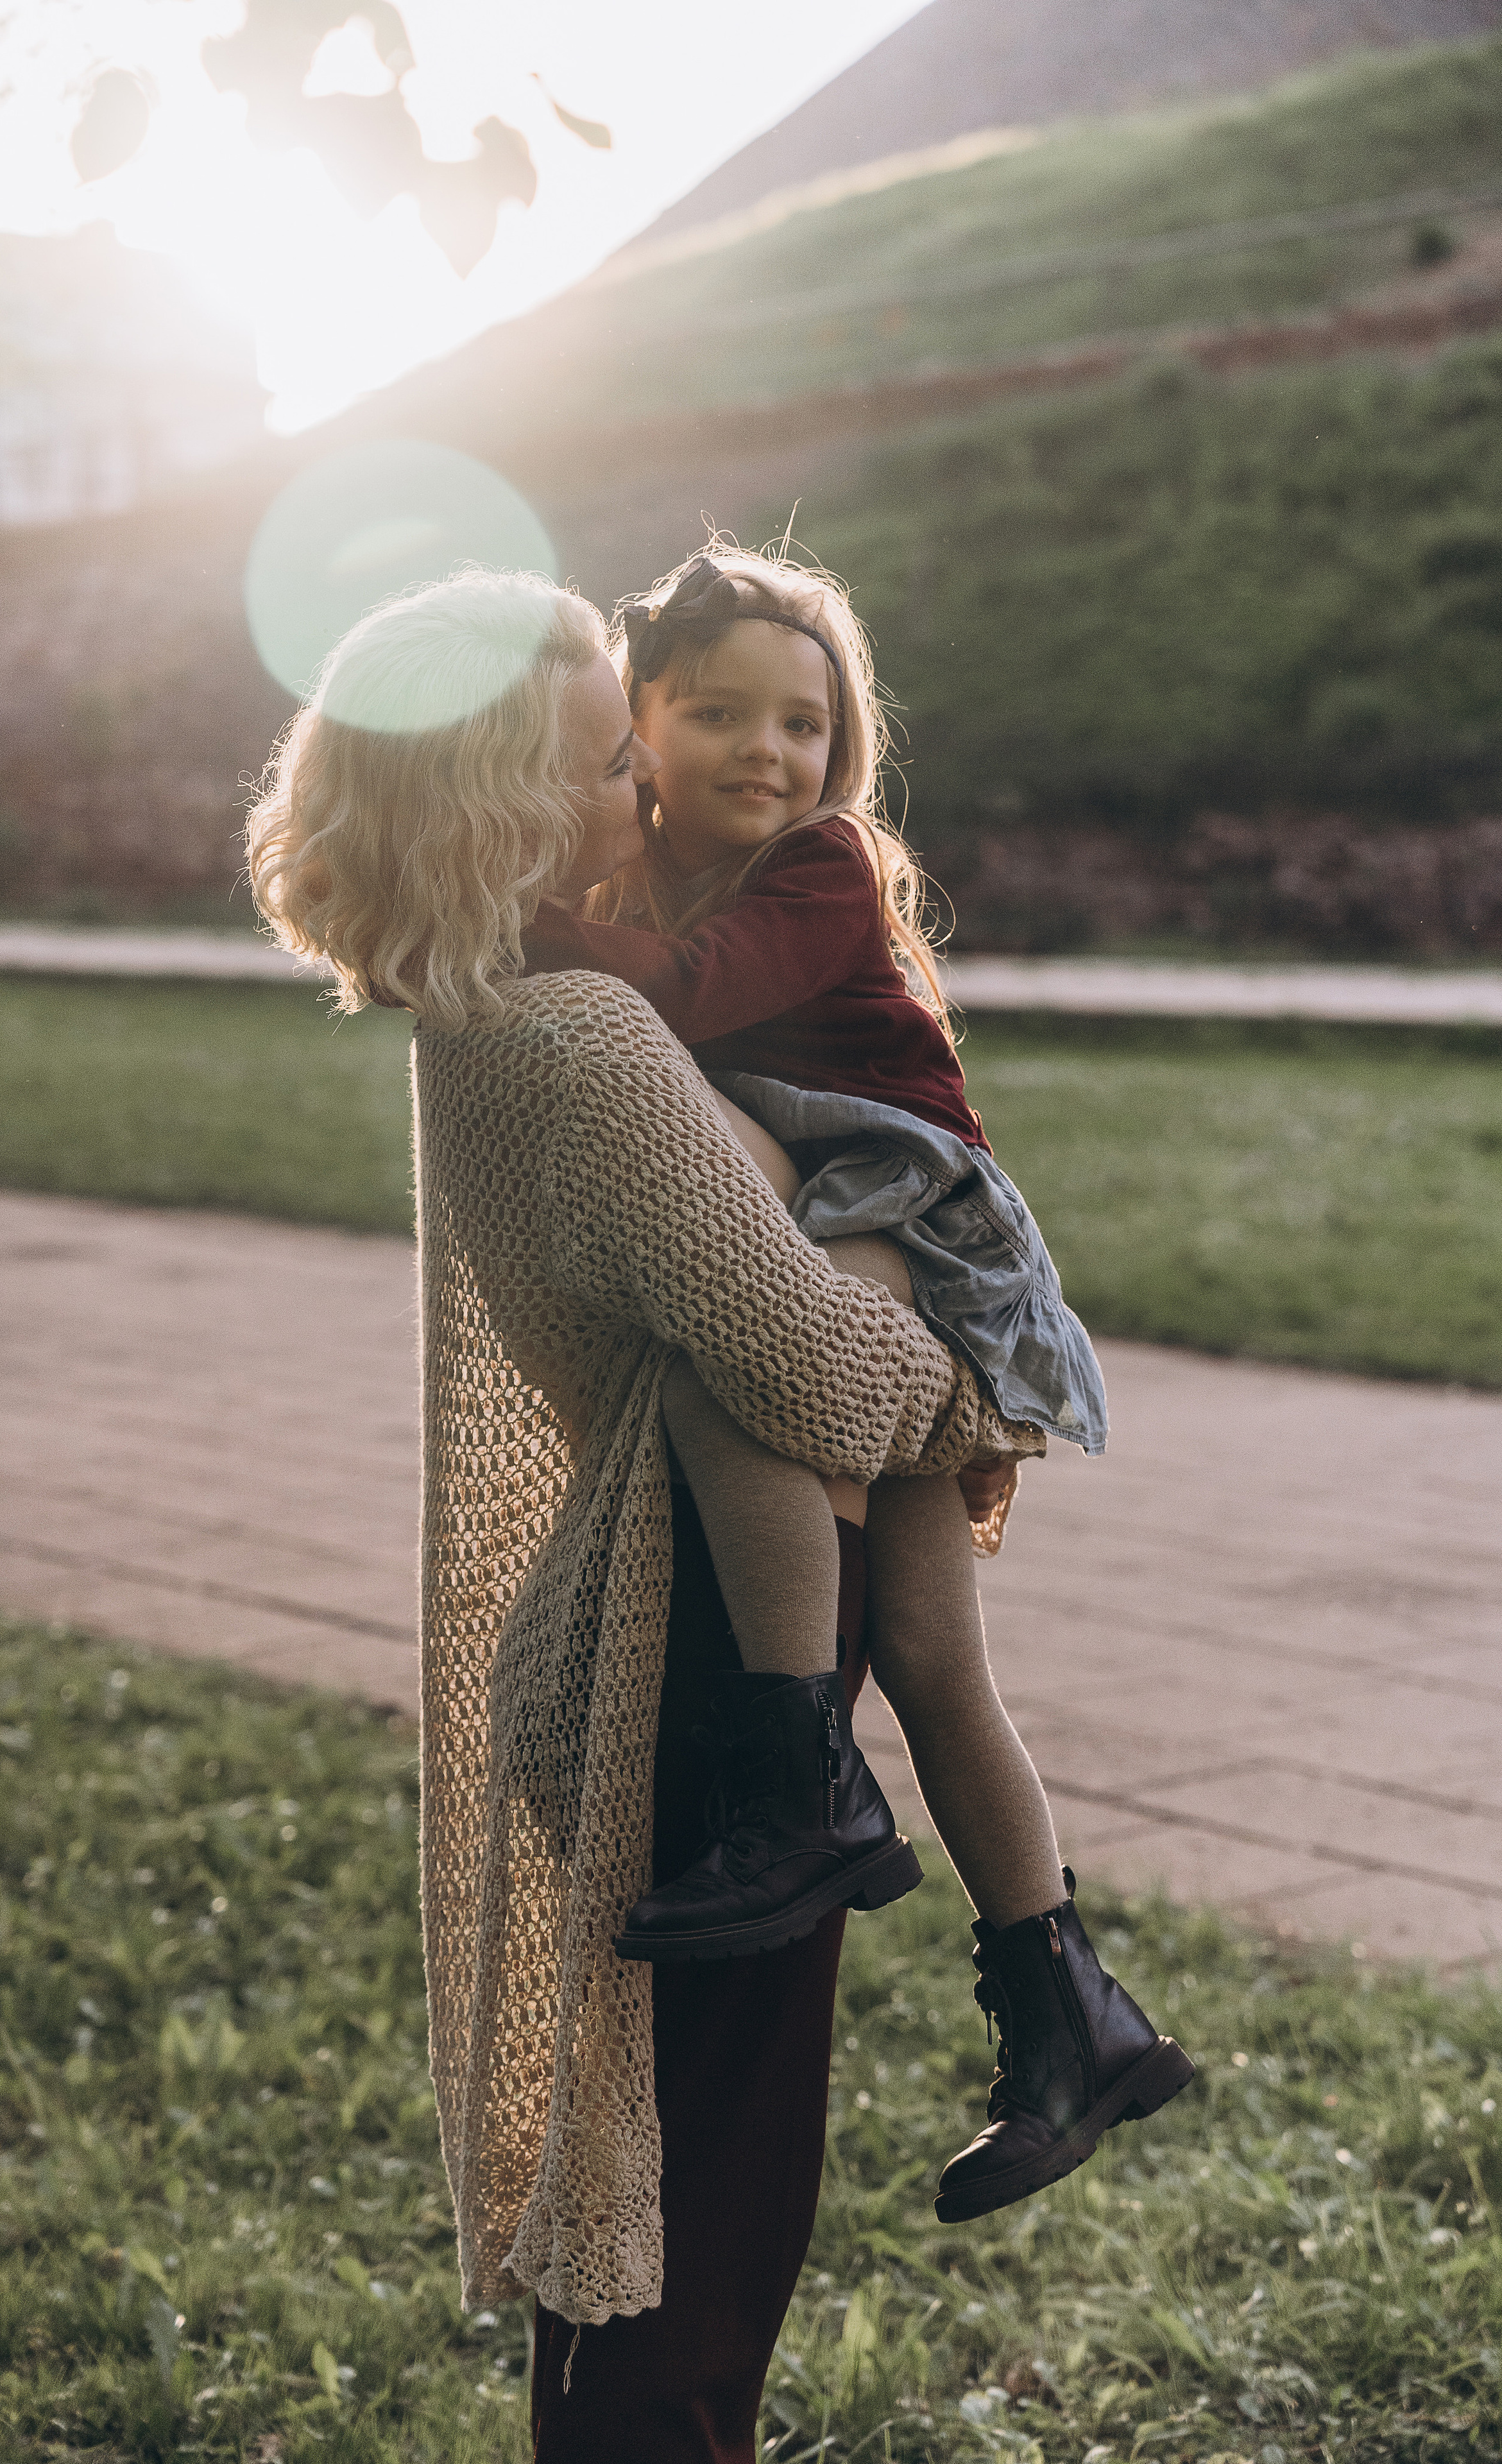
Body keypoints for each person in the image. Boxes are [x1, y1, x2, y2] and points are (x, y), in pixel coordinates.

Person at [244, 565, 1027, 2453]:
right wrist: (975, 1384)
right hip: (708, 1685)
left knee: (631, 2233)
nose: (649, 798)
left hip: (628, 1647)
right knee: (705, 2242)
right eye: (609, 760)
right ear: (509, 799)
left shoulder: (473, 1012)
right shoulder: (587, 1040)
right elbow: (821, 1376)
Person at [522, 544, 1193, 2223]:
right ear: (642, 724)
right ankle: (1070, 2015)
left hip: (910, 1210)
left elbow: (693, 1004)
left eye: (805, 723)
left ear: (844, 753)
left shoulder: (818, 867)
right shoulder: (640, 881)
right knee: (936, 1659)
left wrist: (487, 929)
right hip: (838, 1205)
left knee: (741, 1374)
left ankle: (801, 1782)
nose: (769, 750)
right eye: (720, 712)